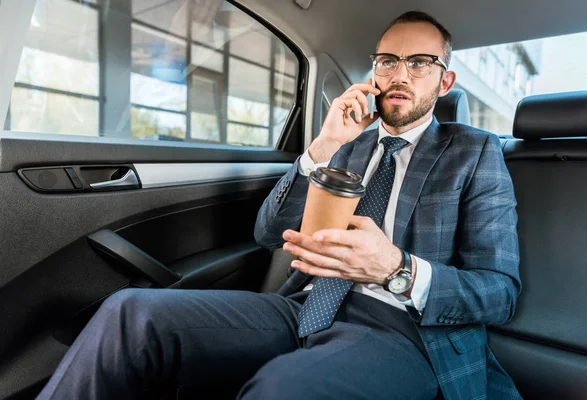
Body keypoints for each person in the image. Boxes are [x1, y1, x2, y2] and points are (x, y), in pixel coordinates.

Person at [36, 10, 521, 400]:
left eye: (419, 62)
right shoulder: (348, 144)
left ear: (445, 80)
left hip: (403, 330)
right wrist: (322, 146)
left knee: (283, 389)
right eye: (387, 61)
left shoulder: (474, 151)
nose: (400, 74)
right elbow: (269, 233)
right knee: (130, 313)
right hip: (303, 307)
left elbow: (499, 291)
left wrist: (395, 267)